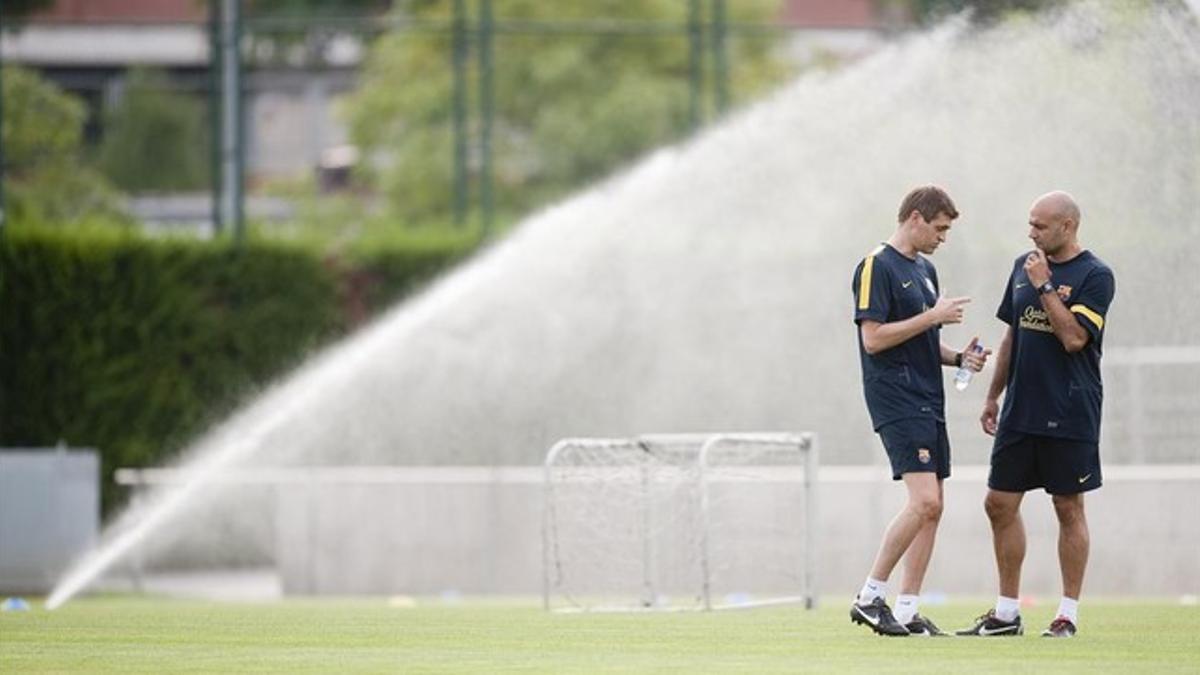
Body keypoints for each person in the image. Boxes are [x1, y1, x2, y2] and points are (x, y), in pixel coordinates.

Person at [956, 191, 1115, 639]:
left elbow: (1073, 339)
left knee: (1067, 506)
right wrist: (992, 396)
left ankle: (1067, 615)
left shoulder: (1095, 275)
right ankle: (1006, 614)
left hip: (1070, 409)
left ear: (1067, 226)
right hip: (1020, 409)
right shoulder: (1022, 266)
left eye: (1040, 226)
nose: (1031, 233)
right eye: (1030, 224)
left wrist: (1046, 285)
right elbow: (1013, 335)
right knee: (998, 503)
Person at [849, 185, 990, 637]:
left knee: (935, 507)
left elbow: (921, 341)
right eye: (940, 228)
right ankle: (870, 597)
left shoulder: (926, 269)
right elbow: (873, 339)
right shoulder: (876, 265)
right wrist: (932, 317)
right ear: (915, 218)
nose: (943, 238)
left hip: (930, 397)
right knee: (924, 501)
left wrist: (958, 359)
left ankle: (907, 609)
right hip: (896, 396)